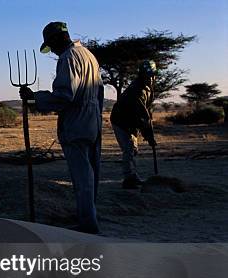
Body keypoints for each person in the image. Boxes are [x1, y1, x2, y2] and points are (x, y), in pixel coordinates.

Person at [20, 22, 104, 234]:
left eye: (51, 45)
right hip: (92, 121)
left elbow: (65, 96)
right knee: (91, 173)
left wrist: (34, 98)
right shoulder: (88, 55)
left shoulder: (68, 58)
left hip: (76, 124)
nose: (53, 51)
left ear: (59, 39)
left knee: (82, 176)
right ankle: (89, 216)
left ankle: (88, 224)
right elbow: (99, 92)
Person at [110, 60, 157, 188]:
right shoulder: (137, 91)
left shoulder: (148, 89)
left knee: (133, 149)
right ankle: (128, 179)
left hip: (132, 121)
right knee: (129, 149)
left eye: (153, 75)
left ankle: (133, 176)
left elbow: (146, 113)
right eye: (148, 75)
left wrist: (148, 133)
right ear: (142, 75)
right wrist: (148, 135)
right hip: (121, 121)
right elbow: (142, 116)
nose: (151, 78)